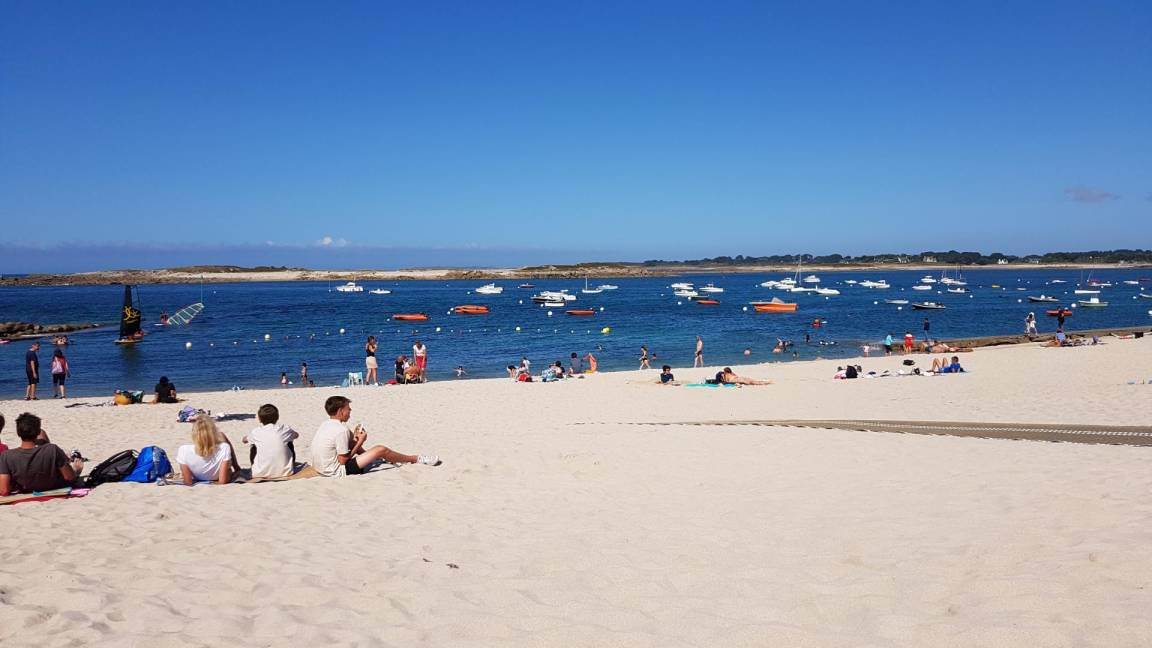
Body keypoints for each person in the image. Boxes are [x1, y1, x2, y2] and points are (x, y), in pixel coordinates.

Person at [310, 396, 439, 477]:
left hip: (321, 467)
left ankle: (377, 458)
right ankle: (415, 459)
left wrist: (355, 440)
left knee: (353, 439)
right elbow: (343, 461)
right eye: (348, 409)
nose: (350, 411)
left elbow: (345, 446)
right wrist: (360, 442)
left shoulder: (326, 424)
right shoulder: (341, 430)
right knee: (381, 449)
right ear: (340, 411)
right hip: (335, 471)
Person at [0, 413, 85, 495]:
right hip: (53, 486)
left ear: (18, 433)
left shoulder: (6, 456)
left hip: (26, 489)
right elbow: (69, 477)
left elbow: (4, 490)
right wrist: (76, 472)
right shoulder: (53, 449)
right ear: (38, 432)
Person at [176, 418, 240, 485]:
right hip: (217, 477)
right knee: (222, 435)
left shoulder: (183, 450)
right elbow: (222, 481)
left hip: (197, 477)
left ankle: (236, 468)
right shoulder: (224, 447)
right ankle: (237, 468)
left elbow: (188, 482)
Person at [242, 403, 298, 479]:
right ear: (277, 417)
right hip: (286, 472)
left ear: (260, 419)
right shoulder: (285, 428)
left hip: (260, 473)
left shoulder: (256, 431)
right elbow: (296, 435)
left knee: (253, 445)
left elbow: (244, 440)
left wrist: (247, 438)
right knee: (289, 441)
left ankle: (257, 467)